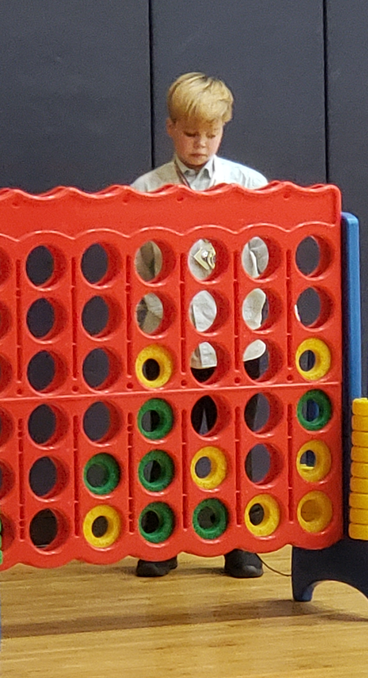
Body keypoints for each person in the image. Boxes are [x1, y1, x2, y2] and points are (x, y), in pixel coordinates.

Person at [130, 72, 269, 579]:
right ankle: (162, 542)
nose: (201, 144)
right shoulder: (145, 191)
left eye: (211, 133)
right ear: (170, 128)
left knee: (235, 445)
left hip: (240, 346)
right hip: (171, 348)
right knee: (170, 445)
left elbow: (266, 262)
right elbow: (141, 269)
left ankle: (237, 541)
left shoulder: (249, 186)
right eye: (191, 134)